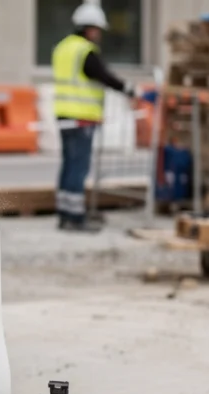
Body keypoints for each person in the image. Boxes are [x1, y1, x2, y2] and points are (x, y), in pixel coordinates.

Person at [52, 3, 142, 232]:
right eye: (98, 29)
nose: (99, 35)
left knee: (68, 164)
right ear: (90, 29)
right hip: (81, 116)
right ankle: (75, 217)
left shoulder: (63, 47)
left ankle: (64, 213)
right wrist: (129, 89)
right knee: (78, 167)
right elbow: (104, 76)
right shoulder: (85, 51)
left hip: (63, 114)